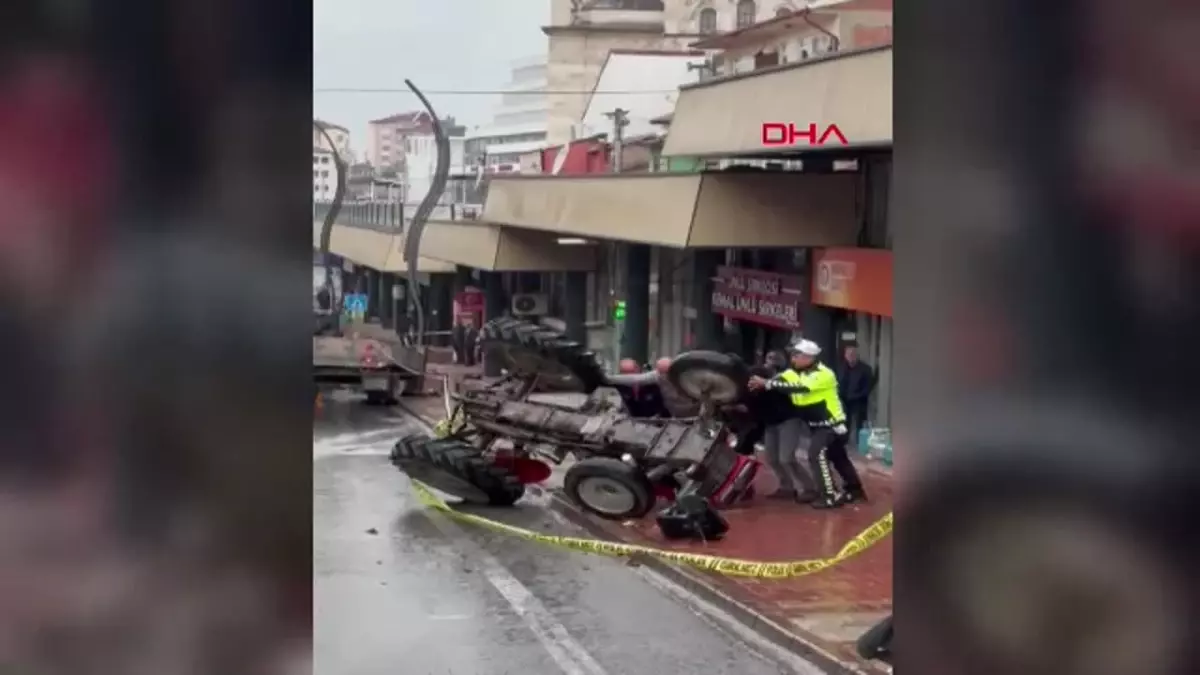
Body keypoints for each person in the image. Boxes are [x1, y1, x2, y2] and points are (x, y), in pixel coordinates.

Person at [749, 339, 867, 508]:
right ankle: (854, 490)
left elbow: (801, 388)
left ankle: (830, 495)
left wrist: (767, 384)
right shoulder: (797, 371)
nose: (793, 358)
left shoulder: (824, 373)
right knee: (837, 457)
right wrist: (759, 380)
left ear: (808, 357)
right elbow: (780, 377)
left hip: (831, 424)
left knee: (815, 454)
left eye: (796, 355)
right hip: (817, 424)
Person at [837, 342, 875, 449]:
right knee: (844, 421)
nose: (851, 356)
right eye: (848, 354)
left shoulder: (866, 369)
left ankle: (860, 444)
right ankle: (844, 441)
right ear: (845, 356)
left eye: (853, 354)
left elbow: (868, 387)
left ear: (857, 355)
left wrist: (858, 395)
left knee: (859, 421)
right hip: (844, 399)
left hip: (859, 400)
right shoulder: (841, 367)